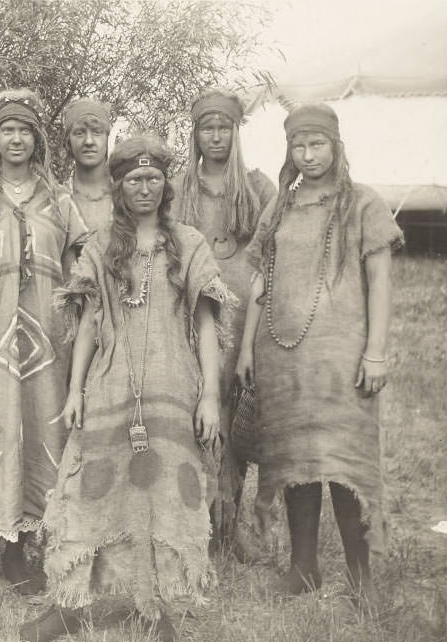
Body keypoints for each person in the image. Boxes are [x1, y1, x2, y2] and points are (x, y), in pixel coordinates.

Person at [21, 134, 229, 642]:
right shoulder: (98, 246)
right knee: (92, 488)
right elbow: (88, 325)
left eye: (153, 178)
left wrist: (209, 396)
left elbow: (206, 324)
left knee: (163, 494)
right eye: (133, 179)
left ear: (166, 184)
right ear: (118, 186)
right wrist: (74, 393)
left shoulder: (189, 244)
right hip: (109, 387)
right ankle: (71, 602)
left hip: (173, 386)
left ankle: (156, 606)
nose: (144, 188)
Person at [236, 103, 402, 603]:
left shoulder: (364, 205)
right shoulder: (279, 209)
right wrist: (246, 348)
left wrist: (375, 352)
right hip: (284, 359)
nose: (308, 156)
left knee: (344, 461)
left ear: (336, 145)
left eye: (317, 145)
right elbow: (260, 283)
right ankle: (303, 566)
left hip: (343, 361)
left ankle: (360, 575)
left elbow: (380, 280)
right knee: (293, 460)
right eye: (298, 146)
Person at [0, 88, 89, 593]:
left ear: (37, 140)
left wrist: (77, 340)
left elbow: (77, 274)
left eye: (25, 130)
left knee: (39, 433)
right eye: (7, 129)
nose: (16, 139)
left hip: (48, 341)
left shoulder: (59, 200)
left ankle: (16, 552)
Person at [172, 89, 277, 558]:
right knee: (194, 413)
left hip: (244, 319)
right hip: (191, 319)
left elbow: (269, 264)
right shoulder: (178, 189)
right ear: (195, 134)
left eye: (224, 128)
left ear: (237, 132)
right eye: (206, 128)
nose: (215, 137)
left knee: (235, 419)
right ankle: (192, 519)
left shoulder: (258, 189)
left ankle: (230, 524)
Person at [62, 97, 113, 232]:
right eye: (79, 133)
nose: (89, 141)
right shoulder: (57, 200)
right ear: (68, 143)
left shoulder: (127, 196)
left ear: (107, 138)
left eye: (97, 132)